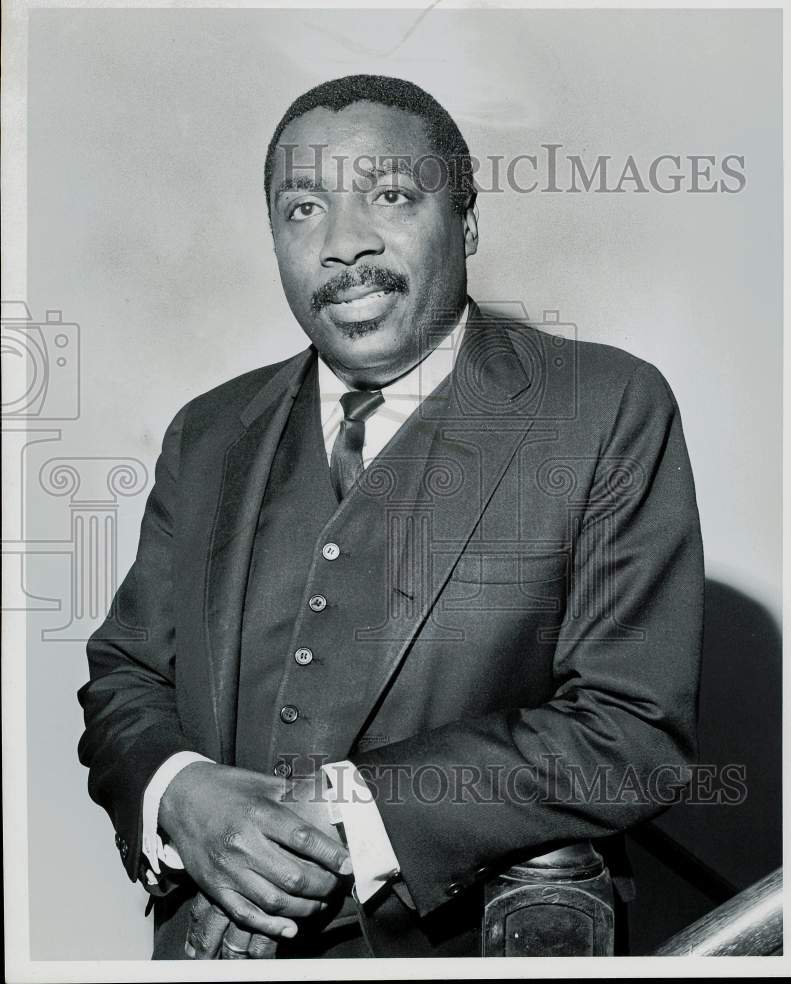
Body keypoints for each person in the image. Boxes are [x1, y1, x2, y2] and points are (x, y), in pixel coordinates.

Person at [77, 74, 704, 960]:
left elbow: (632, 729)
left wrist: (336, 816)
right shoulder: (208, 432)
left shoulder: (605, 407)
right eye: (302, 208)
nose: (343, 244)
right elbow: (126, 678)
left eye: (391, 195)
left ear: (468, 223)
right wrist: (180, 792)